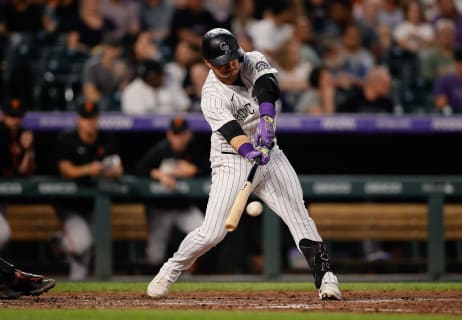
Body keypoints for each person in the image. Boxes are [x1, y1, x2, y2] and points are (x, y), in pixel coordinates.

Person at [146, 28, 342, 300]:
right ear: (207, 63)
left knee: (298, 216)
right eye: (222, 64)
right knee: (212, 233)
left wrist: (267, 120)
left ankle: (327, 279)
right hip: (232, 159)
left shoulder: (252, 59)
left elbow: (267, 88)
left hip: (271, 154)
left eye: (233, 60)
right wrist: (250, 151)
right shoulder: (212, 96)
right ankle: (170, 269)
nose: (230, 66)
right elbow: (232, 134)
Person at [53, 101, 123, 280]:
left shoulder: (106, 138)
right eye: (85, 118)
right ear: (79, 119)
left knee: (89, 248)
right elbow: (65, 170)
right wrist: (88, 170)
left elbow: (118, 166)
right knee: (83, 243)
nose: (89, 122)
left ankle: (77, 283)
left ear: (98, 119)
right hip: (70, 205)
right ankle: (60, 243)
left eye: (92, 118)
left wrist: (113, 170)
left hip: (94, 206)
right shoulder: (67, 139)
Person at [134, 117, 209, 266]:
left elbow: (208, 168)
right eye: (175, 134)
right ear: (169, 134)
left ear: (189, 135)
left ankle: (187, 268)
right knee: (155, 257)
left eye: (182, 134)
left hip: (183, 207)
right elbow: (139, 169)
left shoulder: (194, 149)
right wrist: (158, 174)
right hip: (161, 208)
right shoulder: (160, 149)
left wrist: (193, 170)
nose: (178, 139)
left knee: (204, 232)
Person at [0, 99, 36, 252]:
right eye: (11, 116)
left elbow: (25, 171)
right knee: (2, 233)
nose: (14, 120)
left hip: (3, 197)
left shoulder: (23, 135)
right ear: (3, 116)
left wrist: (28, 150)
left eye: (17, 116)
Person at [121, 59, 190, 115]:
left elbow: (185, 106)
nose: (152, 79)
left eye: (155, 76)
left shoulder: (170, 83)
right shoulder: (132, 90)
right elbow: (136, 118)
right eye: (149, 78)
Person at [433, 46, 462, 114]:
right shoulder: (444, 80)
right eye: (461, 63)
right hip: (453, 118)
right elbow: (440, 103)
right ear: (455, 63)